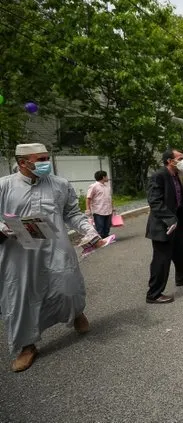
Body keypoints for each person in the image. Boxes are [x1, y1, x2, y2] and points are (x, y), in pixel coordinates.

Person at [0, 143, 107, 372]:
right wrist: (4, 227)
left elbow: (72, 214)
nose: (45, 162)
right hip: (19, 253)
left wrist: (90, 232)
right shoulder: (4, 186)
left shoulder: (60, 184)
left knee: (68, 285)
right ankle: (26, 346)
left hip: (55, 247)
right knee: (21, 297)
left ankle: (75, 312)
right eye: (39, 159)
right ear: (22, 163)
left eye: (47, 157)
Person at [145, 149, 183, 304]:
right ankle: (154, 294)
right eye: (180, 158)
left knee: (180, 251)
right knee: (161, 260)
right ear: (170, 161)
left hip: (176, 223)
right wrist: (170, 219)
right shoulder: (159, 176)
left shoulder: (175, 175)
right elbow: (155, 201)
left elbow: (177, 200)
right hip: (163, 226)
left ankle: (182, 276)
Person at [85, 170, 114, 238]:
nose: (107, 177)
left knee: (107, 226)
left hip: (108, 210)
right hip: (98, 211)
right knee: (100, 226)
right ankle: (100, 239)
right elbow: (88, 198)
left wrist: (113, 207)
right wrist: (88, 209)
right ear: (103, 177)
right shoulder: (94, 186)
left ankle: (106, 237)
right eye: (106, 176)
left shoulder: (107, 186)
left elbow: (109, 197)